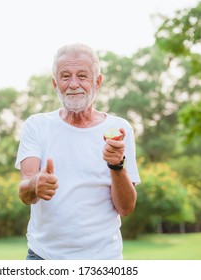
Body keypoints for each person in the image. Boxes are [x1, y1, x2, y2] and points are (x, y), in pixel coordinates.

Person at [15, 43, 141, 260]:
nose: (74, 84)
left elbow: (126, 208)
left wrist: (116, 165)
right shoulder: (36, 126)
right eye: (65, 76)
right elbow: (25, 191)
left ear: (97, 81)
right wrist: (36, 185)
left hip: (104, 261)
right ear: (55, 84)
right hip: (44, 258)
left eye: (82, 76)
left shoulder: (120, 130)